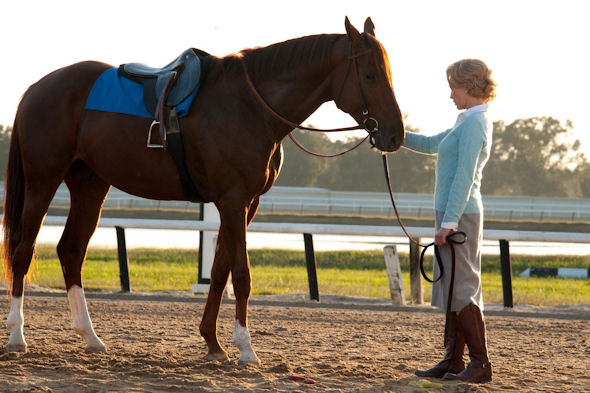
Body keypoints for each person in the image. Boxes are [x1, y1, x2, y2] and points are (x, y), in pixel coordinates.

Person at [403, 59, 496, 383]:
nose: (451, 95)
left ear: (468, 86)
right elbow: (430, 144)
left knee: (462, 287)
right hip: (452, 214)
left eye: (453, 88)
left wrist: (450, 223)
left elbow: (465, 177)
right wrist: (392, 134)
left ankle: (480, 364)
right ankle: (453, 361)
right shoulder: (465, 120)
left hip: (460, 214)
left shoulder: (474, 124)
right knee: (455, 285)